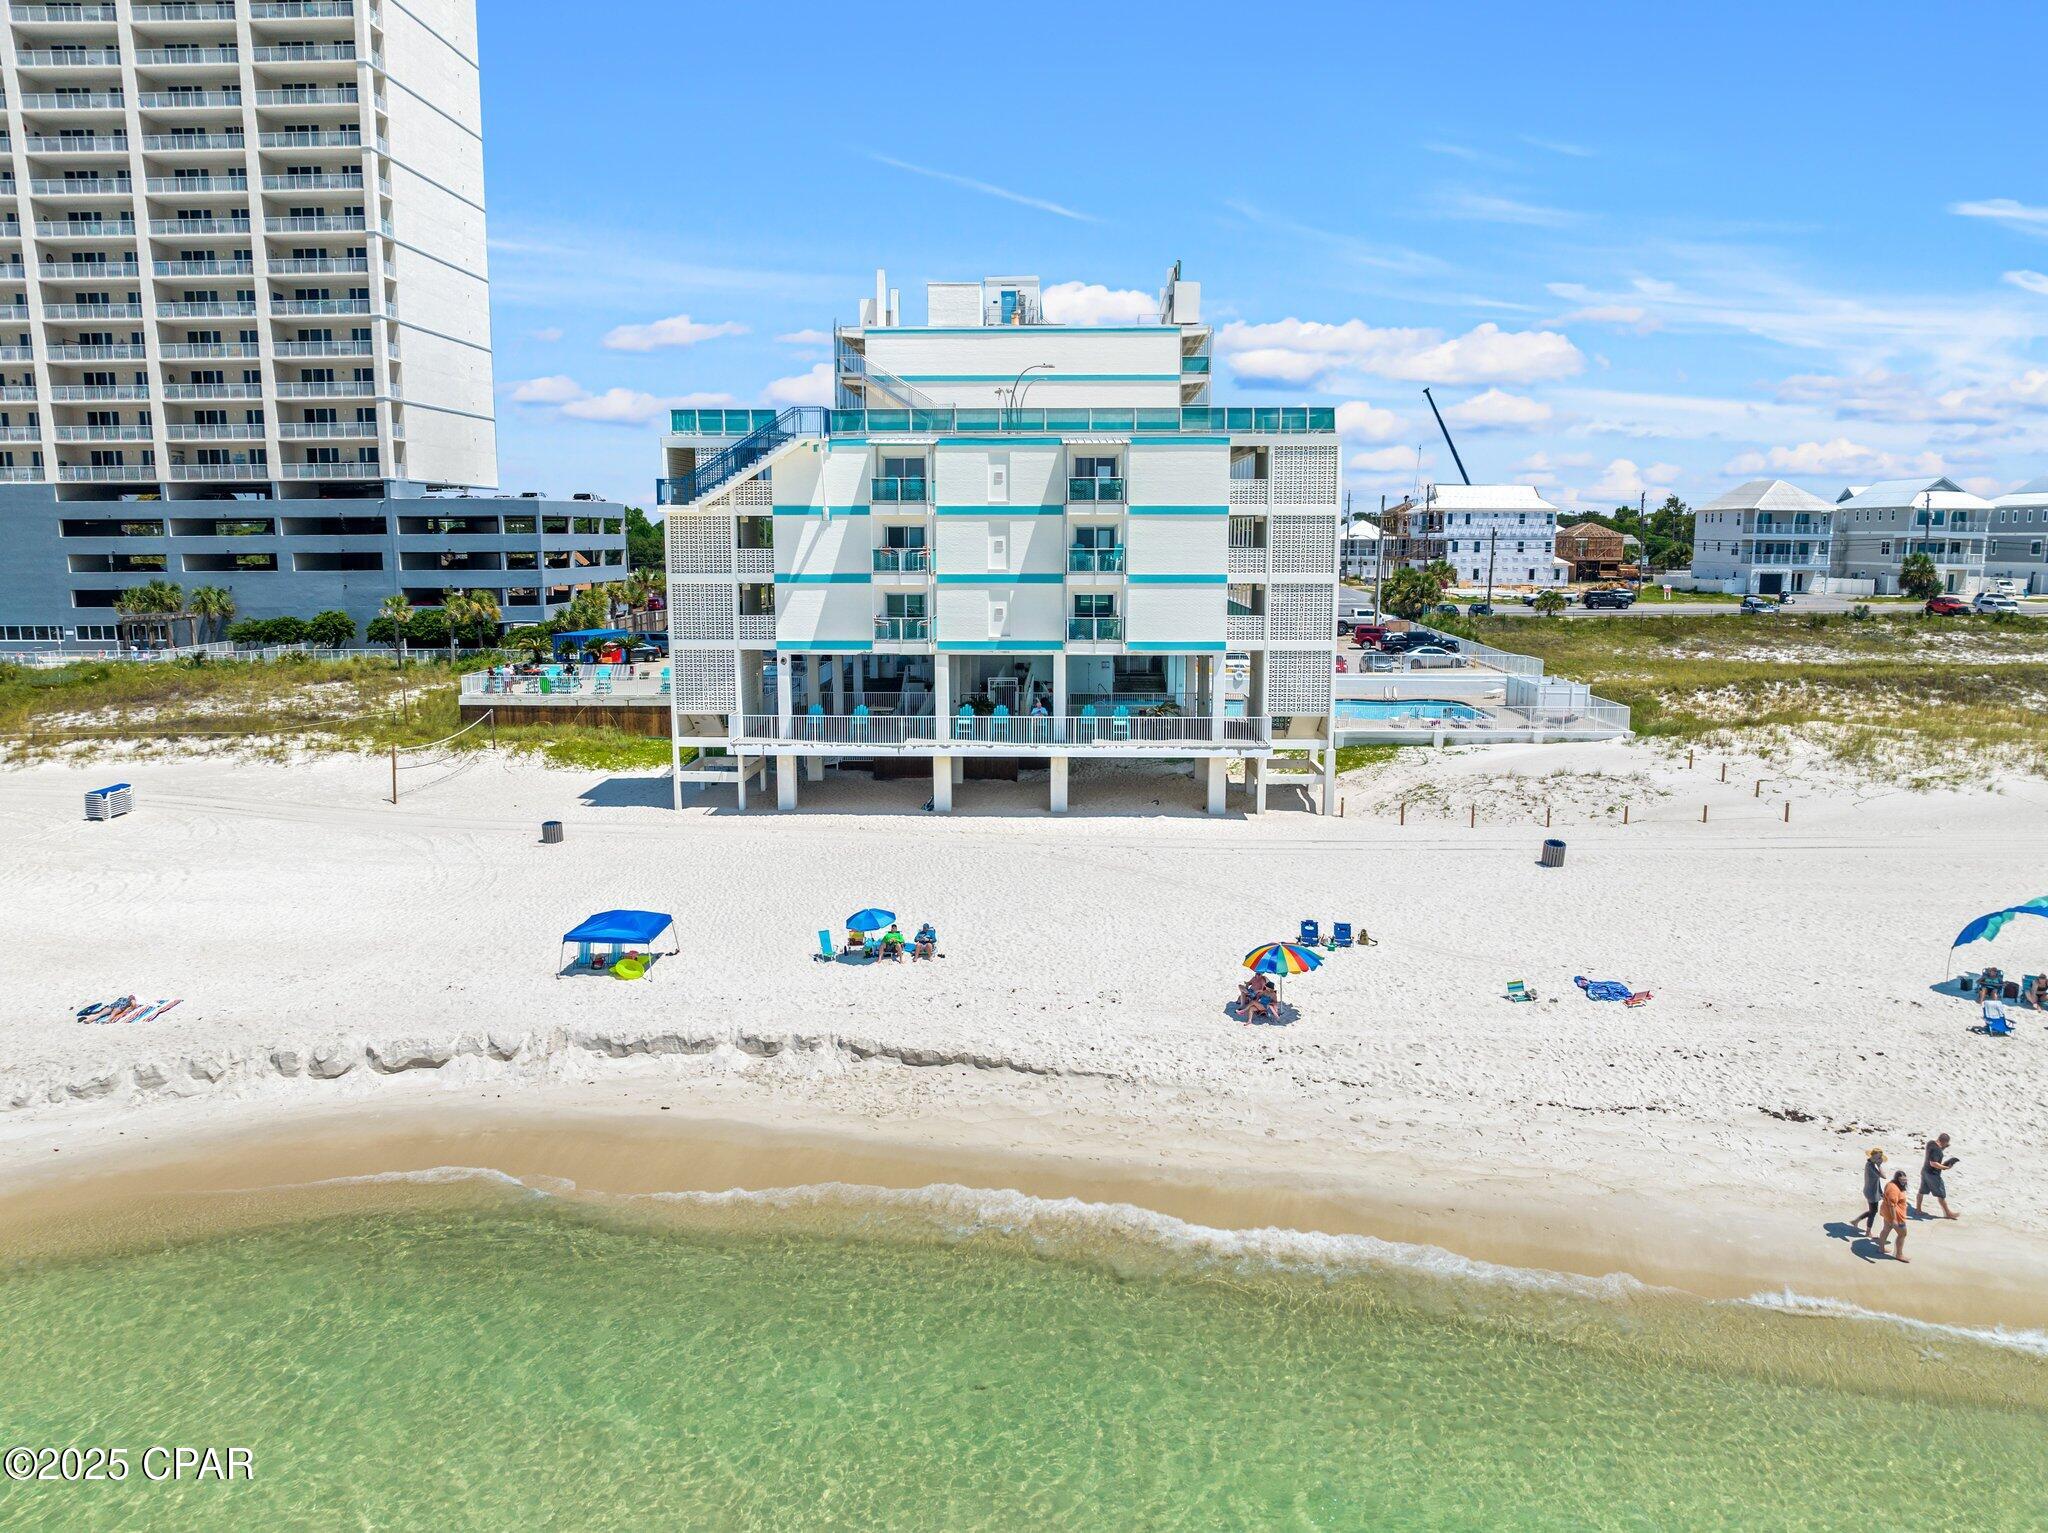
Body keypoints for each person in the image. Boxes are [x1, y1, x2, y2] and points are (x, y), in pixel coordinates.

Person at [1917, 1134, 1958, 1219]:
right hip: (1933, 1175)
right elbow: (1933, 1163)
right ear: (1944, 1142)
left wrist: (1943, 1147)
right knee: (1941, 1195)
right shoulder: (1937, 1150)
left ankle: (1918, 1210)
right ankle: (1948, 1213)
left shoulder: (1930, 1143)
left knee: (1921, 1192)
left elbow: (1933, 1154)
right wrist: (1945, 1167)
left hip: (1925, 1171)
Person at [1854, 1147, 1888, 1237]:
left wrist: (1880, 1192)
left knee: (1872, 1211)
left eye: (1879, 1157)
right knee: (1873, 1212)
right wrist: (1879, 1165)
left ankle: (1856, 1221)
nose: (1878, 1159)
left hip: (1872, 1190)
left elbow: (1876, 1180)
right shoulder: (1870, 1166)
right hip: (1871, 1192)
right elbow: (1884, 1176)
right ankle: (1868, 1232)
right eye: (1877, 1157)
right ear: (1872, 1156)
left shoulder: (1870, 1164)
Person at [1880, 1172, 1911, 1262]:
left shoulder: (1891, 1184)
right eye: (1902, 1180)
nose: (1904, 1182)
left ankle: (1881, 1249)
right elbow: (1892, 1205)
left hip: (1887, 1213)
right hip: (1896, 1216)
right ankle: (1899, 1255)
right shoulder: (1893, 1188)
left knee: (1885, 1230)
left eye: (1905, 1180)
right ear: (1897, 1179)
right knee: (1902, 1234)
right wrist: (1894, 1220)